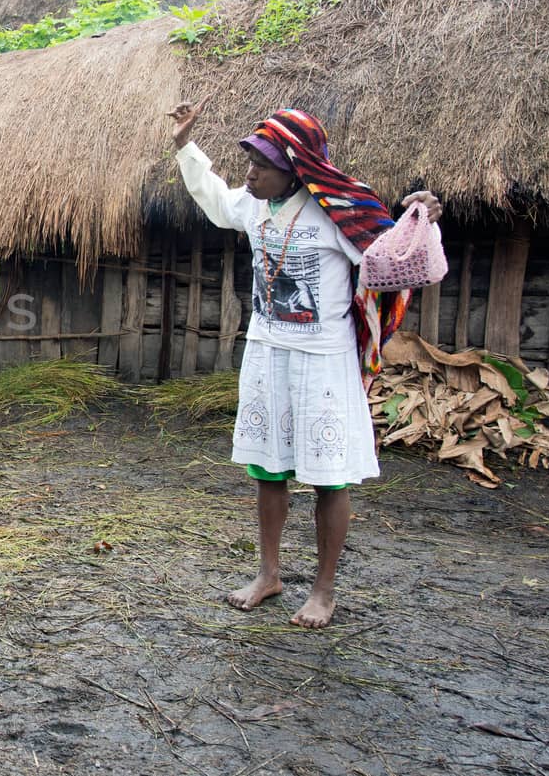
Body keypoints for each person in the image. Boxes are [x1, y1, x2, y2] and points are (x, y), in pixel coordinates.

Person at [168, 99, 441, 629]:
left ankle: (323, 590)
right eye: (250, 162)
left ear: (296, 170)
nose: (250, 173)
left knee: (327, 477)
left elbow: (397, 260)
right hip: (268, 356)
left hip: (323, 363)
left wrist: (422, 220)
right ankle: (269, 574)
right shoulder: (252, 207)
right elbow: (215, 199)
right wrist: (184, 145)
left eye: (262, 165)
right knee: (268, 471)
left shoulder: (339, 214)